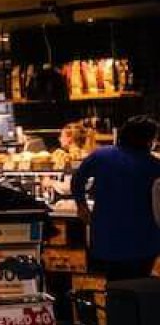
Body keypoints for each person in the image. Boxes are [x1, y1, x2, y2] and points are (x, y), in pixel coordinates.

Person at [71, 116, 160, 281]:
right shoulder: (154, 165)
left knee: (115, 283)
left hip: (109, 236)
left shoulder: (101, 156)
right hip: (144, 239)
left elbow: (78, 179)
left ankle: (116, 304)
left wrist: (81, 205)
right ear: (148, 140)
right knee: (139, 283)